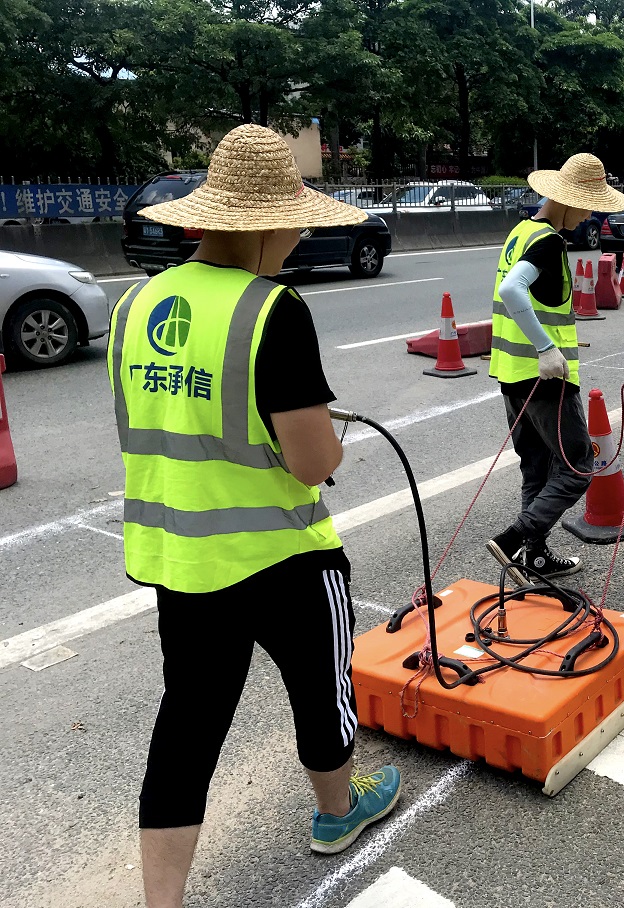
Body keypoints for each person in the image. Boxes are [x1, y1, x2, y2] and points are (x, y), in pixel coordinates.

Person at [107, 125, 400, 908]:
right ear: (263, 223)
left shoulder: (137, 303)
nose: (302, 232)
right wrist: (332, 436)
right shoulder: (273, 309)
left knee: (187, 730)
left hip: (181, 561)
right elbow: (312, 462)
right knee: (321, 690)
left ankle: (159, 904)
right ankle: (338, 814)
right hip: (283, 556)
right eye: (296, 218)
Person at [486, 153, 624, 584]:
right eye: (588, 205)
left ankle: (535, 556)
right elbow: (513, 290)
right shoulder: (548, 241)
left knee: (536, 466)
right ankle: (516, 540)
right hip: (544, 379)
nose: (591, 214)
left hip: (512, 375)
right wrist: (548, 347)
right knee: (578, 465)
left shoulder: (521, 231)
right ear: (567, 200)